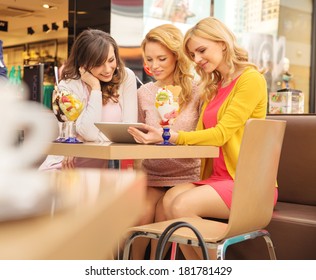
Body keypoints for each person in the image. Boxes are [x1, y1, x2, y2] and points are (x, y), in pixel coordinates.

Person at [128, 17, 276, 259]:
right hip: (216, 178)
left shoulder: (250, 79)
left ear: (223, 43)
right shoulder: (214, 85)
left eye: (201, 50)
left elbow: (220, 135)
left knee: (180, 205)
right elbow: (199, 132)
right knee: (169, 201)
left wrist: (171, 136)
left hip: (247, 182)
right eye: (193, 54)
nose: (197, 59)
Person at [131, 23, 201, 259]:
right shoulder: (144, 93)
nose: (154, 65)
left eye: (161, 58)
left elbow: (205, 136)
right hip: (153, 175)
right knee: (137, 213)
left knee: (163, 212)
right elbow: (138, 140)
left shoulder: (198, 90)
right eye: (149, 59)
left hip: (189, 174)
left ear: (176, 56)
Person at [39, 29, 138, 170]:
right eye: (98, 64)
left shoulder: (126, 77)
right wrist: (95, 88)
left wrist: (80, 140)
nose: (108, 69)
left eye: (111, 60)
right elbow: (89, 133)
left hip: (95, 173)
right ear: (83, 64)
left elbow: (129, 131)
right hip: (61, 167)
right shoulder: (67, 86)